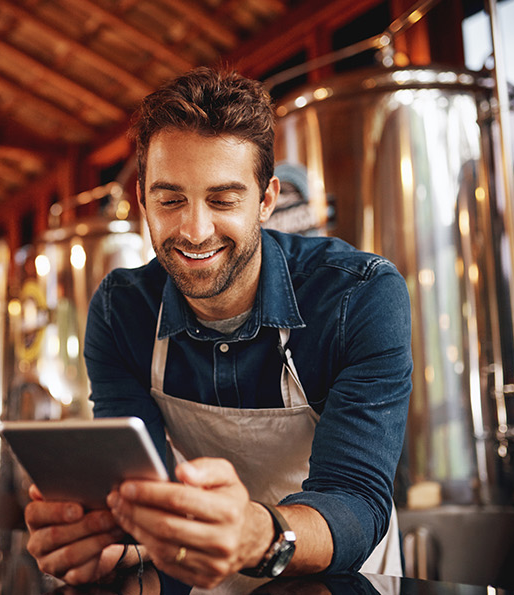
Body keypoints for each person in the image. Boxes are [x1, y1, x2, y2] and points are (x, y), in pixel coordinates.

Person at [23, 67, 412, 590]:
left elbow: (354, 497)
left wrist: (259, 535)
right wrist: (101, 539)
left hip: (339, 576)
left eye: (224, 199)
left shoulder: (358, 297)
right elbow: (143, 487)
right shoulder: (123, 312)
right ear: (142, 202)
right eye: (170, 200)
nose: (195, 230)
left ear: (266, 200)